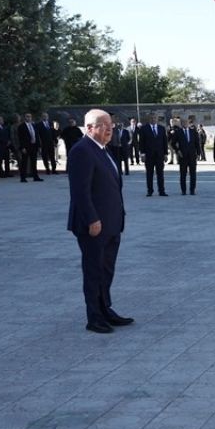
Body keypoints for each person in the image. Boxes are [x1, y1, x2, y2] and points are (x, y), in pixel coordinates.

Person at [67, 109, 132, 334]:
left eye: (110, 125)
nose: (109, 128)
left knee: (106, 269)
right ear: (89, 128)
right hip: (93, 225)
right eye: (103, 125)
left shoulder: (104, 151)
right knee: (94, 270)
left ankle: (106, 309)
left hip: (112, 223)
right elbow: (80, 192)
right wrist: (92, 219)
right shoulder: (82, 151)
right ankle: (94, 317)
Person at [138, 114, 168, 197]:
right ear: (149, 119)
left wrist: (165, 153)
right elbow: (141, 142)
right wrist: (142, 154)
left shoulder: (161, 128)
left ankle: (161, 191)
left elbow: (164, 142)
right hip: (149, 155)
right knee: (149, 174)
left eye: (155, 118)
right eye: (151, 118)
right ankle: (150, 191)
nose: (153, 119)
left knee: (160, 174)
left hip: (159, 155)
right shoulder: (144, 129)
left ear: (157, 119)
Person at [173, 117, 200, 195]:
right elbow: (173, 143)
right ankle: (183, 190)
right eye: (183, 122)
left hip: (192, 156)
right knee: (183, 175)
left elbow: (197, 143)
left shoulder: (193, 131)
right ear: (181, 123)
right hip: (182, 156)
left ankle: (192, 190)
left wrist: (198, 154)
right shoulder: (178, 132)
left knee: (193, 174)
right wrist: (178, 151)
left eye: (186, 122)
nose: (185, 123)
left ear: (188, 123)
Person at [15, 112, 41, 182]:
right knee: (24, 162)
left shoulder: (33, 125)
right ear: (24, 118)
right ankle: (23, 177)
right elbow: (20, 138)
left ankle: (35, 176)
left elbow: (37, 136)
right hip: (26, 147)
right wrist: (22, 147)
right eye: (27, 116)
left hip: (34, 146)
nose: (29, 118)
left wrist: (38, 146)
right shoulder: (21, 126)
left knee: (34, 162)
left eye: (30, 117)